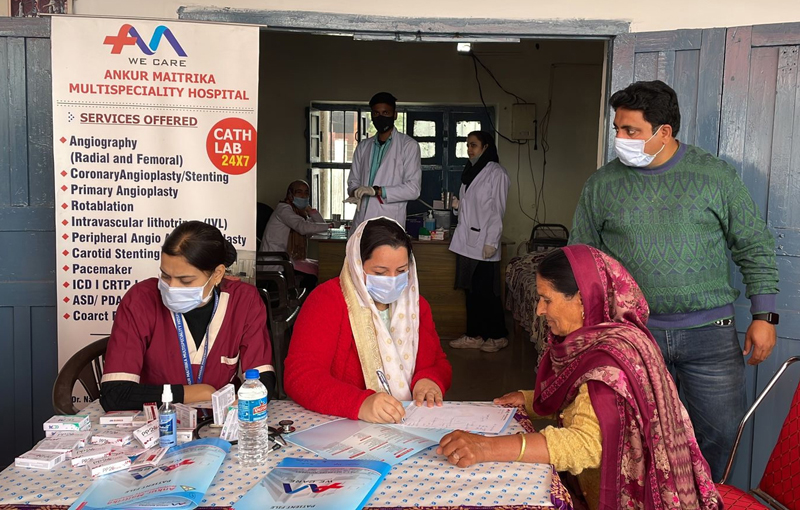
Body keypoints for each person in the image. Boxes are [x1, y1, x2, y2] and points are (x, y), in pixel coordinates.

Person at [570, 80, 780, 480]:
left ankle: (707, 502)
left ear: (663, 132)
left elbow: (753, 243)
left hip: (710, 337)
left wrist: (764, 315)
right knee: (632, 438)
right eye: (617, 128)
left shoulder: (713, 176)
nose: (620, 138)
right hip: (633, 336)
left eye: (631, 130)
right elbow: (583, 261)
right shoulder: (602, 185)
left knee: (718, 436)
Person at [438, 245, 721, 510]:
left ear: (584, 299)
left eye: (546, 299)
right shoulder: (602, 340)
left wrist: (486, 447)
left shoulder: (608, 363)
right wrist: (529, 401)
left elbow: (584, 445)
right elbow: (579, 398)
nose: (539, 310)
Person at [284, 217, 452, 422]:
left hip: (407, 423)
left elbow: (437, 362)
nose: (392, 280)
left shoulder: (416, 306)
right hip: (345, 425)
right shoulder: (328, 301)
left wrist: (429, 380)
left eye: (401, 271)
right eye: (380, 272)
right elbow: (301, 376)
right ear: (357, 264)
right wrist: (360, 403)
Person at [100, 221, 276, 411]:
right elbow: (115, 394)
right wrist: (194, 393)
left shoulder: (244, 301)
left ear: (217, 274)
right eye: (165, 276)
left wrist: (246, 403)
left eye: (185, 280)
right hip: (156, 423)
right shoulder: (141, 300)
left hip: (218, 424)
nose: (172, 287)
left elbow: (262, 380)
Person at [448, 131, 510, 352]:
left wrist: (492, 241)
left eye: (473, 145)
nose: (469, 150)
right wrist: (458, 206)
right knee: (471, 291)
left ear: (485, 147)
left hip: (484, 242)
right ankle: (474, 335)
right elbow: (472, 206)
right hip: (467, 241)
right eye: (467, 145)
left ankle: (497, 336)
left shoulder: (497, 173)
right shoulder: (471, 172)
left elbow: (497, 210)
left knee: (487, 292)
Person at [347, 92, 421, 231]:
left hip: (389, 222)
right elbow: (353, 181)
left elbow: (413, 189)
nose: (380, 117)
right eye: (376, 113)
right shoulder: (363, 146)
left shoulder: (408, 146)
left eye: (385, 112)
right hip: (361, 221)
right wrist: (355, 192)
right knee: (359, 252)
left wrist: (377, 191)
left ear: (395, 115)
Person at [259, 179, 329, 289]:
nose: (303, 196)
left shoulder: (298, 213)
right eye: (299, 192)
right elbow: (302, 228)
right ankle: (304, 304)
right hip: (276, 262)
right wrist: (331, 226)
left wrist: (310, 210)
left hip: (288, 259)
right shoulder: (284, 210)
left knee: (322, 267)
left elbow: (319, 226)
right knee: (312, 276)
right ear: (290, 195)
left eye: (306, 192)